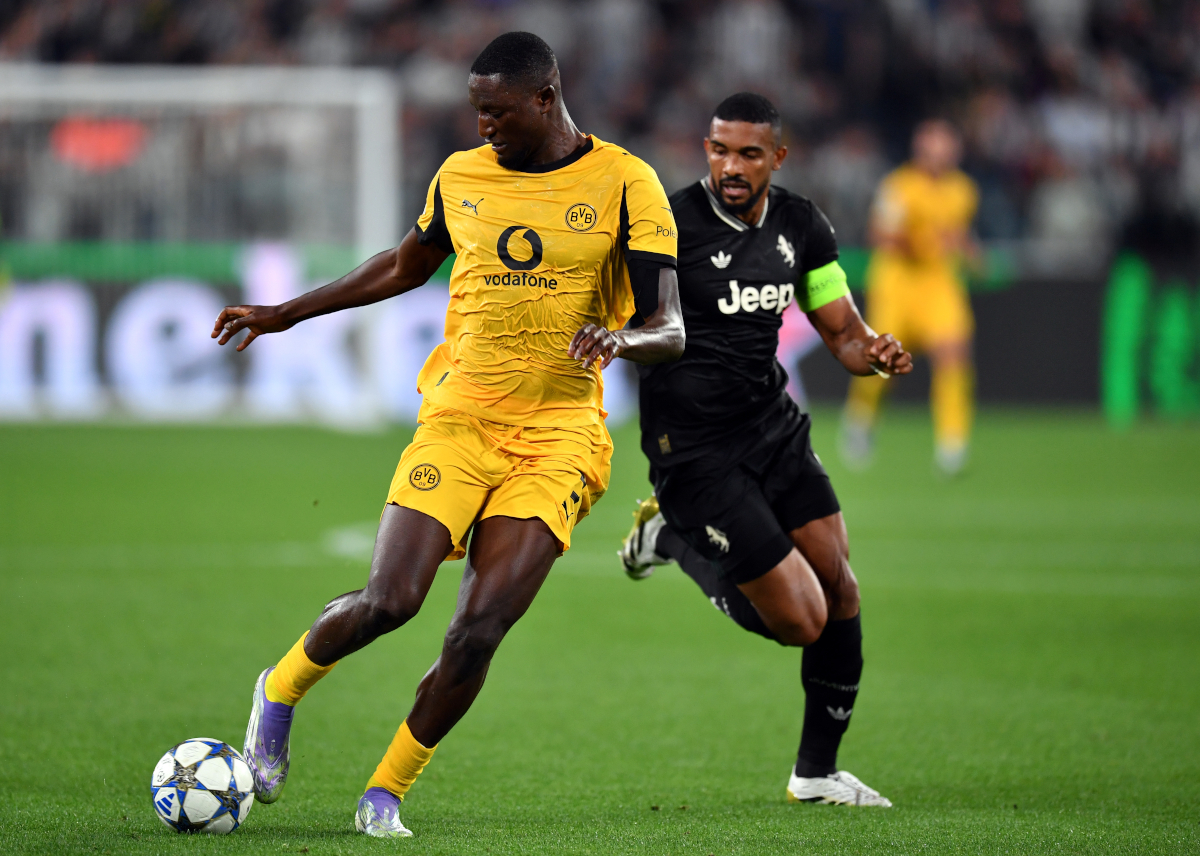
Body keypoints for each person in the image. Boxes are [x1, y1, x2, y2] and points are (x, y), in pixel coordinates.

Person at [212, 32, 683, 838]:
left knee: (479, 629)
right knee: (390, 602)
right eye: (476, 111)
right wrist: (284, 312)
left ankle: (385, 792)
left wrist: (622, 341)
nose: (483, 128)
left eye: (497, 112)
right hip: (459, 419)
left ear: (546, 97)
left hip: (560, 433)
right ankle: (279, 689)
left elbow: (668, 324)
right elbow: (403, 265)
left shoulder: (626, 182)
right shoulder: (460, 177)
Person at [619, 92, 911, 807]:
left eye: (748, 152)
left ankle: (815, 774)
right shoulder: (669, 224)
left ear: (777, 157)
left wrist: (874, 352)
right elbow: (632, 319)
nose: (730, 166)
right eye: (719, 149)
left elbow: (841, 332)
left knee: (840, 586)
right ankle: (672, 540)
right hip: (693, 451)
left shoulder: (801, 225)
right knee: (801, 620)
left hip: (772, 429)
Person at [841, 119, 979, 475]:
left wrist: (970, 251)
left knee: (953, 353)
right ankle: (861, 421)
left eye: (947, 146)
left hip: (938, 284)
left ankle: (952, 443)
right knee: (883, 365)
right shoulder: (899, 187)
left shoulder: (963, 190)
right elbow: (880, 235)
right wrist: (924, 243)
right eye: (934, 146)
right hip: (897, 283)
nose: (941, 154)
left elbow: (957, 235)